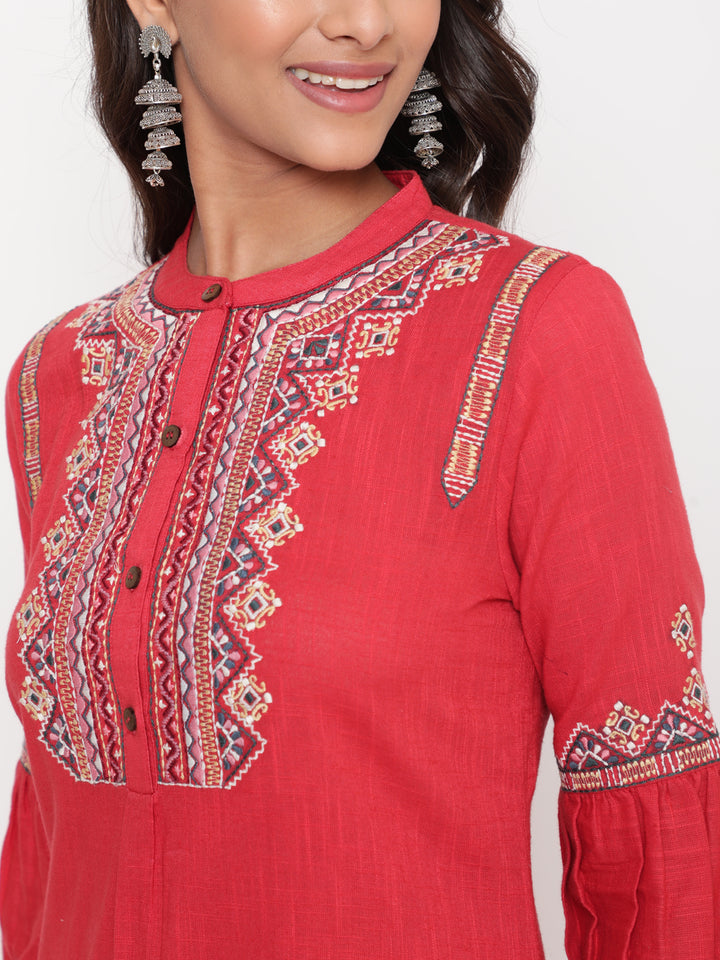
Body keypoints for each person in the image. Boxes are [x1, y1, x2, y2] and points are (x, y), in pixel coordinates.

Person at [0, 0, 717, 957]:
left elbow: (654, 836)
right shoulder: (62, 377)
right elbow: (54, 849)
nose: (368, 23)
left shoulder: (535, 331)